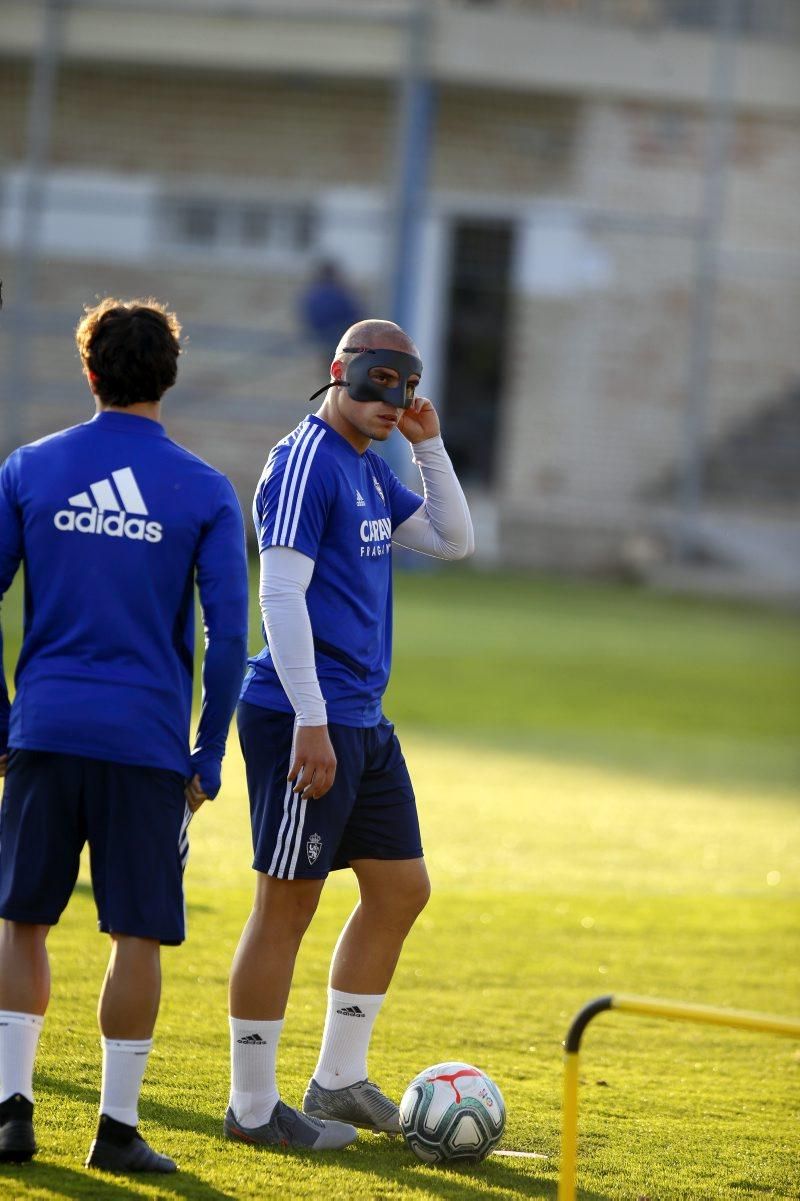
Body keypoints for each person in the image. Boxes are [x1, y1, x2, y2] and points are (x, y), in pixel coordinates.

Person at [0, 298, 249, 1173]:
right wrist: (207, 753)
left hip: (45, 729)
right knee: (134, 933)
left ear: (90, 370)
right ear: (168, 376)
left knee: (22, 919)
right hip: (145, 744)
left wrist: (4, 718)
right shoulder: (206, 491)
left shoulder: (30, 468)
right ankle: (115, 1128)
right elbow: (230, 645)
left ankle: (11, 1113)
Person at [225, 318, 474, 1151]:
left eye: (404, 384)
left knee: (402, 889)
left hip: (362, 719)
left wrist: (428, 447)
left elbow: (451, 539)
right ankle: (252, 1109)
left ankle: (336, 1080)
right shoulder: (305, 461)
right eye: (375, 379)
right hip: (306, 717)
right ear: (338, 371)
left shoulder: (370, 470)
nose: (389, 398)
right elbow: (279, 596)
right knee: (286, 905)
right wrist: (311, 720)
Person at [299, 261, 362, 371]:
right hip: (340, 336)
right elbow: (355, 314)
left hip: (323, 337)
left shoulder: (312, 296)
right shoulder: (341, 293)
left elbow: (308, 317)